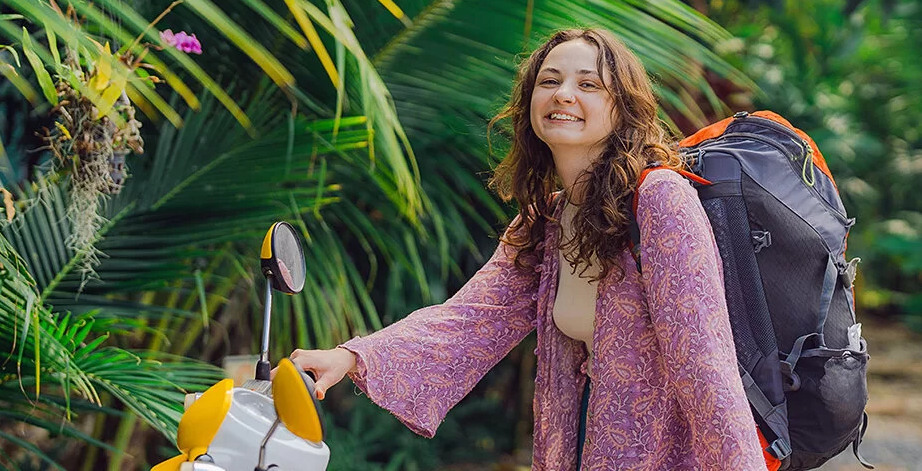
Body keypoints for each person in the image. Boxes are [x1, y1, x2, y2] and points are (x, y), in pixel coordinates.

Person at [279, 28, 765, 470]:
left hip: (663, 454)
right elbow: (470, 319)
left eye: (589, 85)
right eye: (549, 81)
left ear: (623, 108)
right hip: (579, 444)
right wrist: (351, 357)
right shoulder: (546, 221)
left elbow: (705, 364)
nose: (563, 94)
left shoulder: (660, 198)